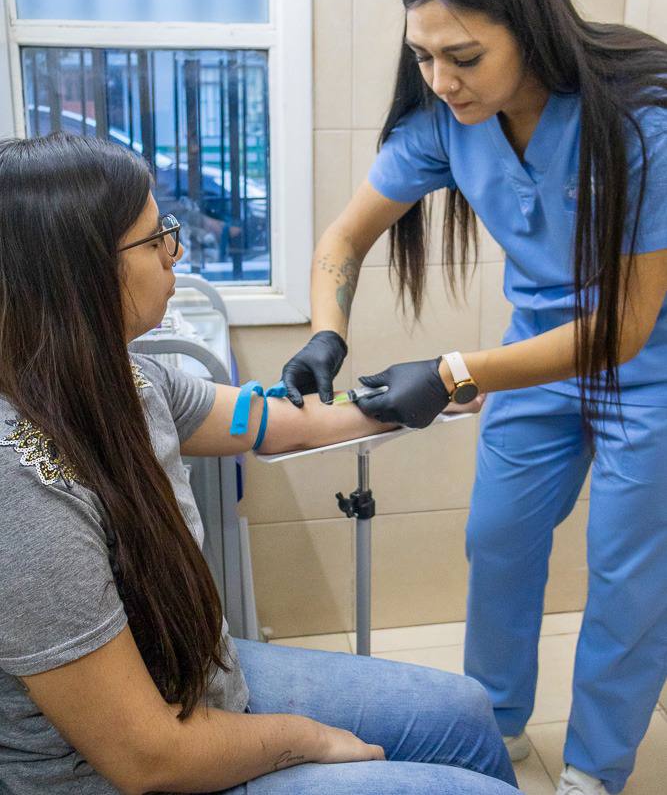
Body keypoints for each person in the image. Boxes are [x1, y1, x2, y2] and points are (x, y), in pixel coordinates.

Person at [281, 0, 667, 795]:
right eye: (423, 55)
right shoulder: (447, 122)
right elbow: (342, 241)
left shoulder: (641, 118)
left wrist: (457, 372)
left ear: (529, 28)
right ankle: (493, 728)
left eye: (463, 57)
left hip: (647, 375)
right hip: (535, 359)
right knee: (495, 540)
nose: (440, 80)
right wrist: (325, 331)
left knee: (623, 579)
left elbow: (624, 331)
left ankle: (593, 772)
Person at [0, 132, 518, 795]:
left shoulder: (127, 379)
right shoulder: (22, 489)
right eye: (157, 238)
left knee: (467, 713)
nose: (175, 252)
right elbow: (146, 758)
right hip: (125, 769)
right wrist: (304, 739)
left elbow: (277, 424)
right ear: (80, 272)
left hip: (196, 677)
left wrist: (425, 395)